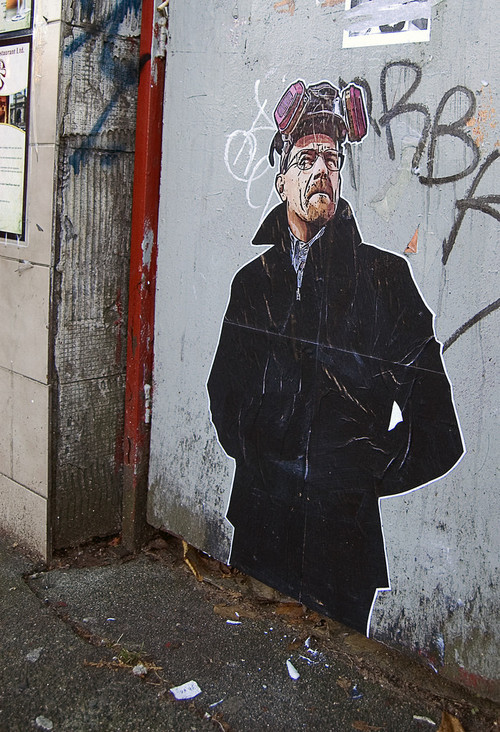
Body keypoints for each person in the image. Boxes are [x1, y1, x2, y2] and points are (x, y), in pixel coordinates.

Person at [207, 80, 464, 635]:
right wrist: (265, 464)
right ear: (281, 181)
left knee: (334, 676)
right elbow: (224, 395)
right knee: (256, 662)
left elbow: (440, 429)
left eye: (332, 159)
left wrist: (357, 476)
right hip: (261, 530)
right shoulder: (253, 284)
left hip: (344, 547)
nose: (321, 170)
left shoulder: (385, 280)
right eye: (305, 160)